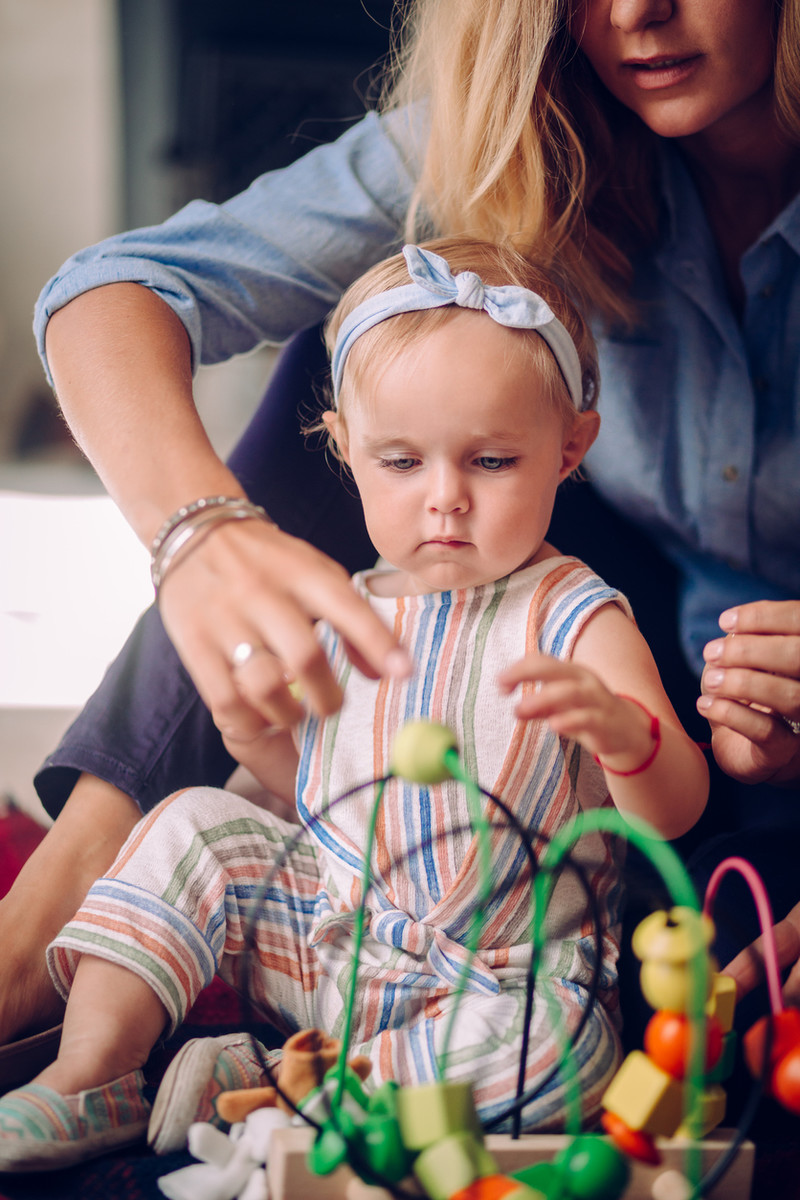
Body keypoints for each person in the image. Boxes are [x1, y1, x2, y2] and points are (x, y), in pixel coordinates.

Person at [4, 0, 798, 1053]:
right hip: (585, 616)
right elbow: (111, 291)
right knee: (387, 384)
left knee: (706, 1014)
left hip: (678, 765)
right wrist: (200, 536)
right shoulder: (515, 127)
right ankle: (50, 918)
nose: (633, 12)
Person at [0, 241, 708, 1170]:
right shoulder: (346, 607)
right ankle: (94, 1073)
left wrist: (627, 739)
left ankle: (283, 1087)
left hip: (499, 987)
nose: (445, 499)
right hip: (339, 943)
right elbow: (332, 814)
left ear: (570, 447)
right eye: (403, 461)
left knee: (556, 1052)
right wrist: (257, 738)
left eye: (492, 461)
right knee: (193, 823)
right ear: (345, 449)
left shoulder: (571, 614)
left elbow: (676, 812)